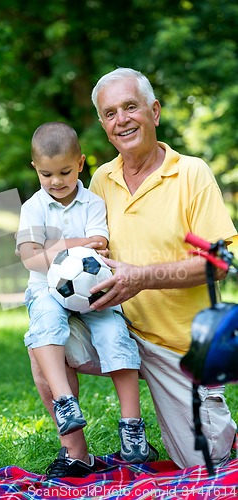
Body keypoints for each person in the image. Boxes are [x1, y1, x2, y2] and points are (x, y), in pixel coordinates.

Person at [29, 69, 237, 478]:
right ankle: (76, 455)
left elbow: (221, 264)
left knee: (208, 464)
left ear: (154, 112)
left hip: (179, 349)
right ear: (104, 128)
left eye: (130, 107)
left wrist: (140, 277)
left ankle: (213, 427)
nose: (121, 119)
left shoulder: (191, 173)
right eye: (110, 113)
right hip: (114, 327)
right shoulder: (101, 180)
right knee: (42, 338)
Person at [16, 121, 156, 477]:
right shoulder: (33, 207)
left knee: (114, 333)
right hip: (47, 290)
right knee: (45, 324)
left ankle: (132, 426)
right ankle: (65, 402)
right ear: (35, 168)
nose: (56, 181)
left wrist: (53, 248)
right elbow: (30, 258)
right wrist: (67, 246)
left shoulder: (93, 202)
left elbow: (99, 245)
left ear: (80, 164)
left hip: (93, 290)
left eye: (64, 171)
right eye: (46, 174)